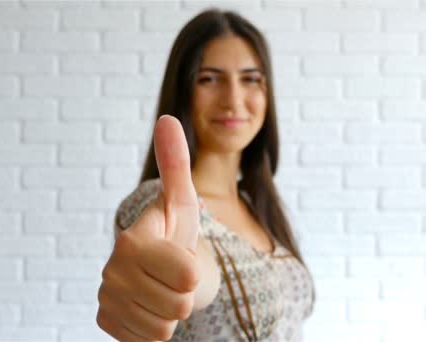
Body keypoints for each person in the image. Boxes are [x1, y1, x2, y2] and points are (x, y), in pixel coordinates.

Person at [96, 8, 315, 341]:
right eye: (209, 79)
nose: (233, 100)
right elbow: (192, 267)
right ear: (183, 90)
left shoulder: (258, 207)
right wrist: (171, 279)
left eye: (250, 79)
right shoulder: (159, 202)